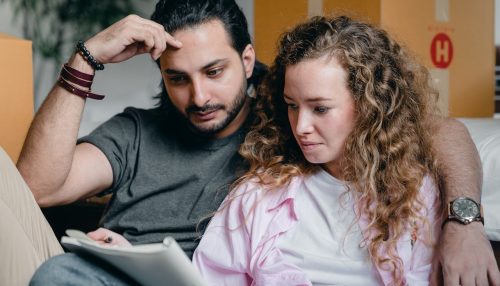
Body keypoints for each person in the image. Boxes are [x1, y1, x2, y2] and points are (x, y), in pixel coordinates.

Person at [0, 0, 495, 285]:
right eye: (177, 78)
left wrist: (465, 220)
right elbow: (35, 191)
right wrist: (86, 59)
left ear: (247, 58)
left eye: (214, 71)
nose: (199, 96)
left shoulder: (283, 110)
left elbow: (435, 129)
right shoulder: (136, 130)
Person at [192, 15, 500, 286]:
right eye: (292, 106)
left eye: (320, 109)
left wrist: (465, 226)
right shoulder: (257, 197)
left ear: (369, 106)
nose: (301, 126)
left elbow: (450, 131)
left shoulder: (419, 198)